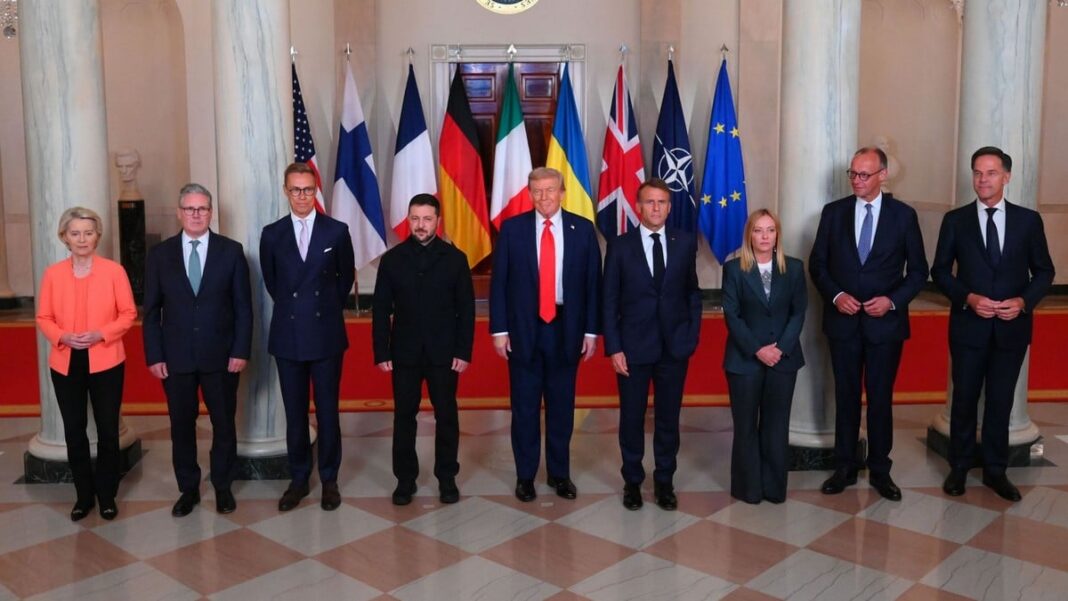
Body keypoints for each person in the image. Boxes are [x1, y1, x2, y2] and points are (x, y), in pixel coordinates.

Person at [931, 146, 1054, 502]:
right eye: (977, 172)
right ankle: (959, 466)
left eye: (991, 173)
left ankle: (996, 470)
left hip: (1011, 329)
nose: (983, 180)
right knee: (964, 399)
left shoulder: (1028, 221)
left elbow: (1044, 271)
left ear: (1006, 176)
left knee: (1001, 401)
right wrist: (968, 298)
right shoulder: (955, 220)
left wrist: (1023, 302)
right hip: (969, 326)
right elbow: (940, 271)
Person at [809, 146, 928, 501]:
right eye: (853, 173)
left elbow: (918, 271)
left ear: (883, 175)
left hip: (884, 326)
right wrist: (836, 296)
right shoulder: (833, 213)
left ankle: (880, 470)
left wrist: (891, 301)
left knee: (880, 399)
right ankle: (844, 467)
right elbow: (818, 264)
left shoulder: (904, 216)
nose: (857, 180)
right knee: (845, 397)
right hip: (843, 324)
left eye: (864, 174)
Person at [490, 167, 601, 502]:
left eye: (550, 190)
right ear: (529, 194)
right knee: (524, 408)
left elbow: (593, 284)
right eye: (537, 191)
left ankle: (559, 474)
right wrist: (499, 330)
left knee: (561, 407)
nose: (544, 197)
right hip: (524, 329)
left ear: (562, 192)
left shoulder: (583, 229)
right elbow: (499, 283)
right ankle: (525, 476)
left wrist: (591, 331)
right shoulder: (513, 229)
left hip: (567, 328)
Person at [143, 184, 252, 517]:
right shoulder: (159, 255)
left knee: (224, 423)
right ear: (179, 213)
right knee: (181, 426)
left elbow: (243, 307)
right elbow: (151, 311)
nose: (196, 214)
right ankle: (188, 489)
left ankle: (222, 486)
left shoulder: (231, 251)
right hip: (175, 358)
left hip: (221, 356)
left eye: (202, 208)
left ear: (211, 213)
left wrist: (240, 350)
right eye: (190, 209)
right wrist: (154, 355)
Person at [260, 162, 355, 512]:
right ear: (286, 191)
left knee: (328, 411)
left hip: (326, 334)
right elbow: (273, 283)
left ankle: (329, 479)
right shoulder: (272, 234)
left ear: (316, 190)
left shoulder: (337, 231)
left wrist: (323, 309)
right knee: (295, 412)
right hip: (288, 335)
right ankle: (299, 479)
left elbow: (344, 279)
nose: (302, 196)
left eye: (308, 189)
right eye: (296, 190)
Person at [602, 179, 701, 511]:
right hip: (632, 348)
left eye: (662, 202)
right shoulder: (620, 246)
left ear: (669, 208)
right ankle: (632, 481)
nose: (656, 208)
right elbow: (609, 300)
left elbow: (692, 293)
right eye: (650, 202)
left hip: (674, 348)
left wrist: (691, 335)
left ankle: (664, 482)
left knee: (668, 418)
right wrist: (614, 348)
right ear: (638, 206)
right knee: (632, 418)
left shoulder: (684, 242)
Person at [372, 194, 475, 506]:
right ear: (408, 219)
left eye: (427, 219)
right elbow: (381, 310)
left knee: (447, 416)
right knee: (404, 416)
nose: (420, 225)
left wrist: (463, 351)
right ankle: (405, 480)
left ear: (437, 221)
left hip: (445, 354)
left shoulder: (455, 259)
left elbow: (466, 311)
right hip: (404, 353)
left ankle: (447, 478)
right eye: (415, 218)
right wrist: (381, 352)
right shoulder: (392, 259)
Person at [36, 207, 137, 521]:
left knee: (108, 430)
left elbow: (128, 313)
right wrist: (63, 336)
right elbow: (43, 317)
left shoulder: (114, 271)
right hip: (65, 360)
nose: (82, 239)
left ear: (97, 236)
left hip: (106, 359)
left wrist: (101, 333)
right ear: (64, 237)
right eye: (75, 233)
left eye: (88, 233)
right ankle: (83, 496)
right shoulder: (53, 274)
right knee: (74, 430)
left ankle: (106, 495)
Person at [722, 209, 807, 504]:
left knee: (776, 425)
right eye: (758, 230)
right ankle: (749, 489)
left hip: (784, 360)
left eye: (770, 230)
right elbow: (732, 316)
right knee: (745, 425)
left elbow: (798, 312)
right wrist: (758, 349)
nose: (764, 236)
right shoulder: (734, 270)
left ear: (777, 235)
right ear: (749, 235)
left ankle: (773, 488)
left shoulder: (793, 268)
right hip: (744, 360)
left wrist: (780, 348)